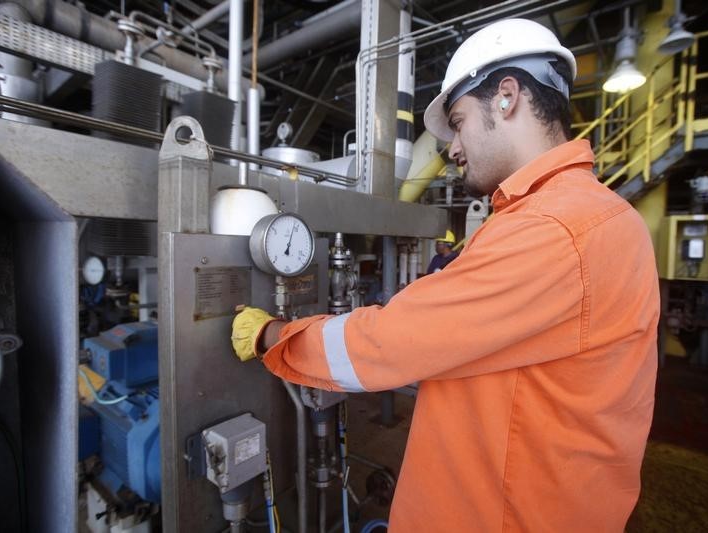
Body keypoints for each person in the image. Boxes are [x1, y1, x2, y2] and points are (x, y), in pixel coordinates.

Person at [231, 18, 659, 532]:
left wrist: (273, 335)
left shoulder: (554, 228)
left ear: (507, 97)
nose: (452, 150)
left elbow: (390, 342)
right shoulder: (597, 216)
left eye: (458, 122)